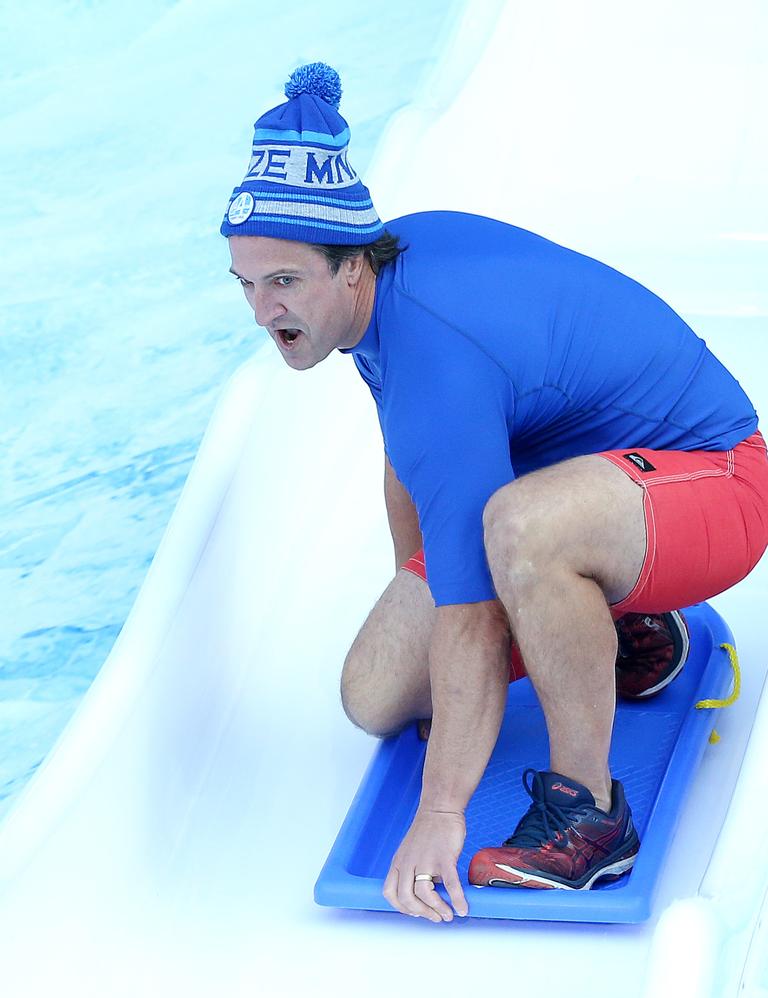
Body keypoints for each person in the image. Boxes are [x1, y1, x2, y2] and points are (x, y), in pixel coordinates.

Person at [220, 63, 768, 923]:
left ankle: (590, 821)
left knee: (519, 530)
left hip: (716, 479)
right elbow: (415, 453)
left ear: (351, 266)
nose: (262, 311)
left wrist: (441, 812)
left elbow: (472, 609)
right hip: (599, 491)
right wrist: (421, 579)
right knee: (377, 693)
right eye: (246, 285)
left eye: (283, 281)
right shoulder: (379, 297)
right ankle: (624, 628)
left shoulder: (432, 335)